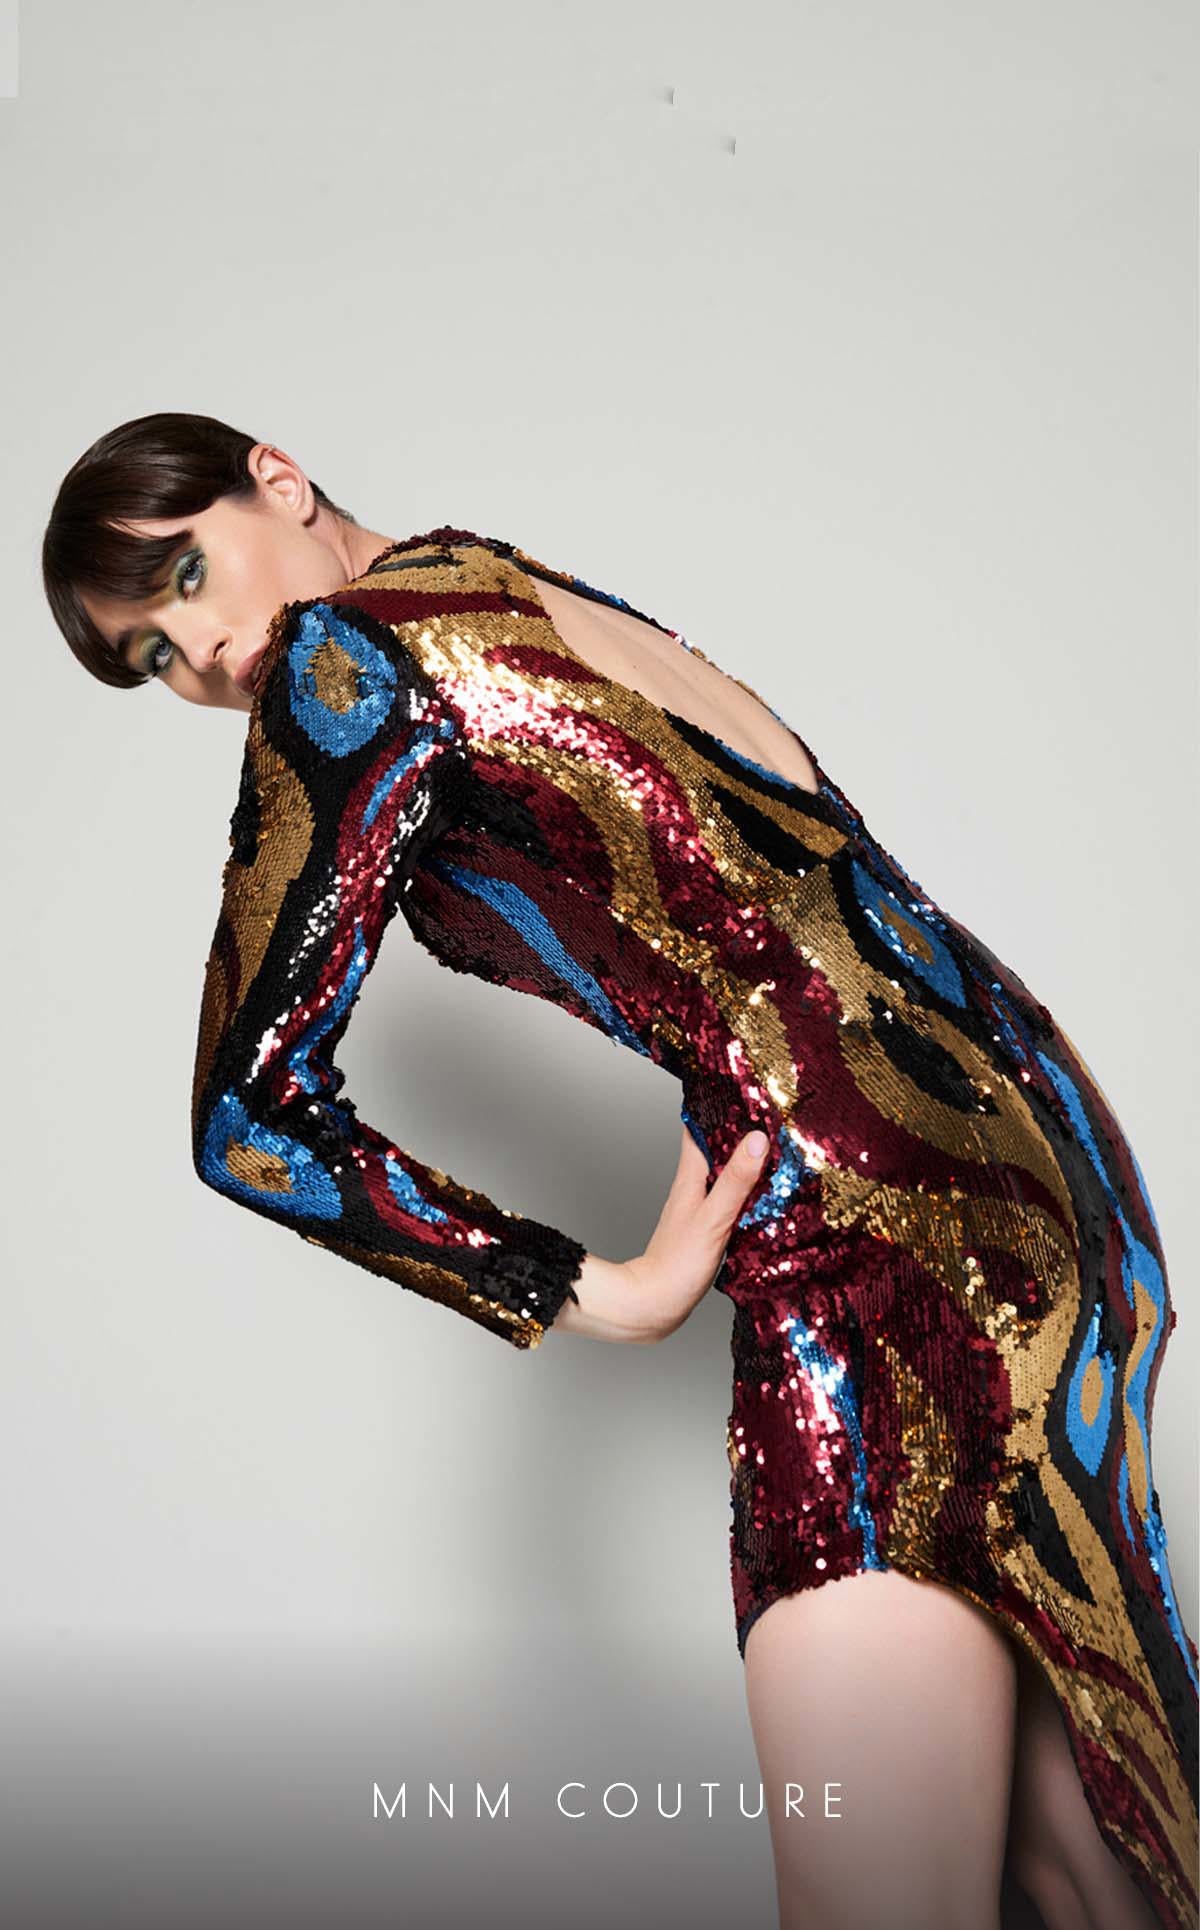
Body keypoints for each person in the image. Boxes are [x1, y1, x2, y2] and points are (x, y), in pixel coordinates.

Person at [44, 411, 1198, 1930]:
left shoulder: (347, 658)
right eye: (150, 656)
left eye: (187, 575)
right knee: (1083, 1866)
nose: (200, 652)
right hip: (1049, 1173)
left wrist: (590, 1286)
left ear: (278, 476)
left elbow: (243, 1114)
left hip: (875, 1238)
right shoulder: (496, 580)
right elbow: (796, 907)